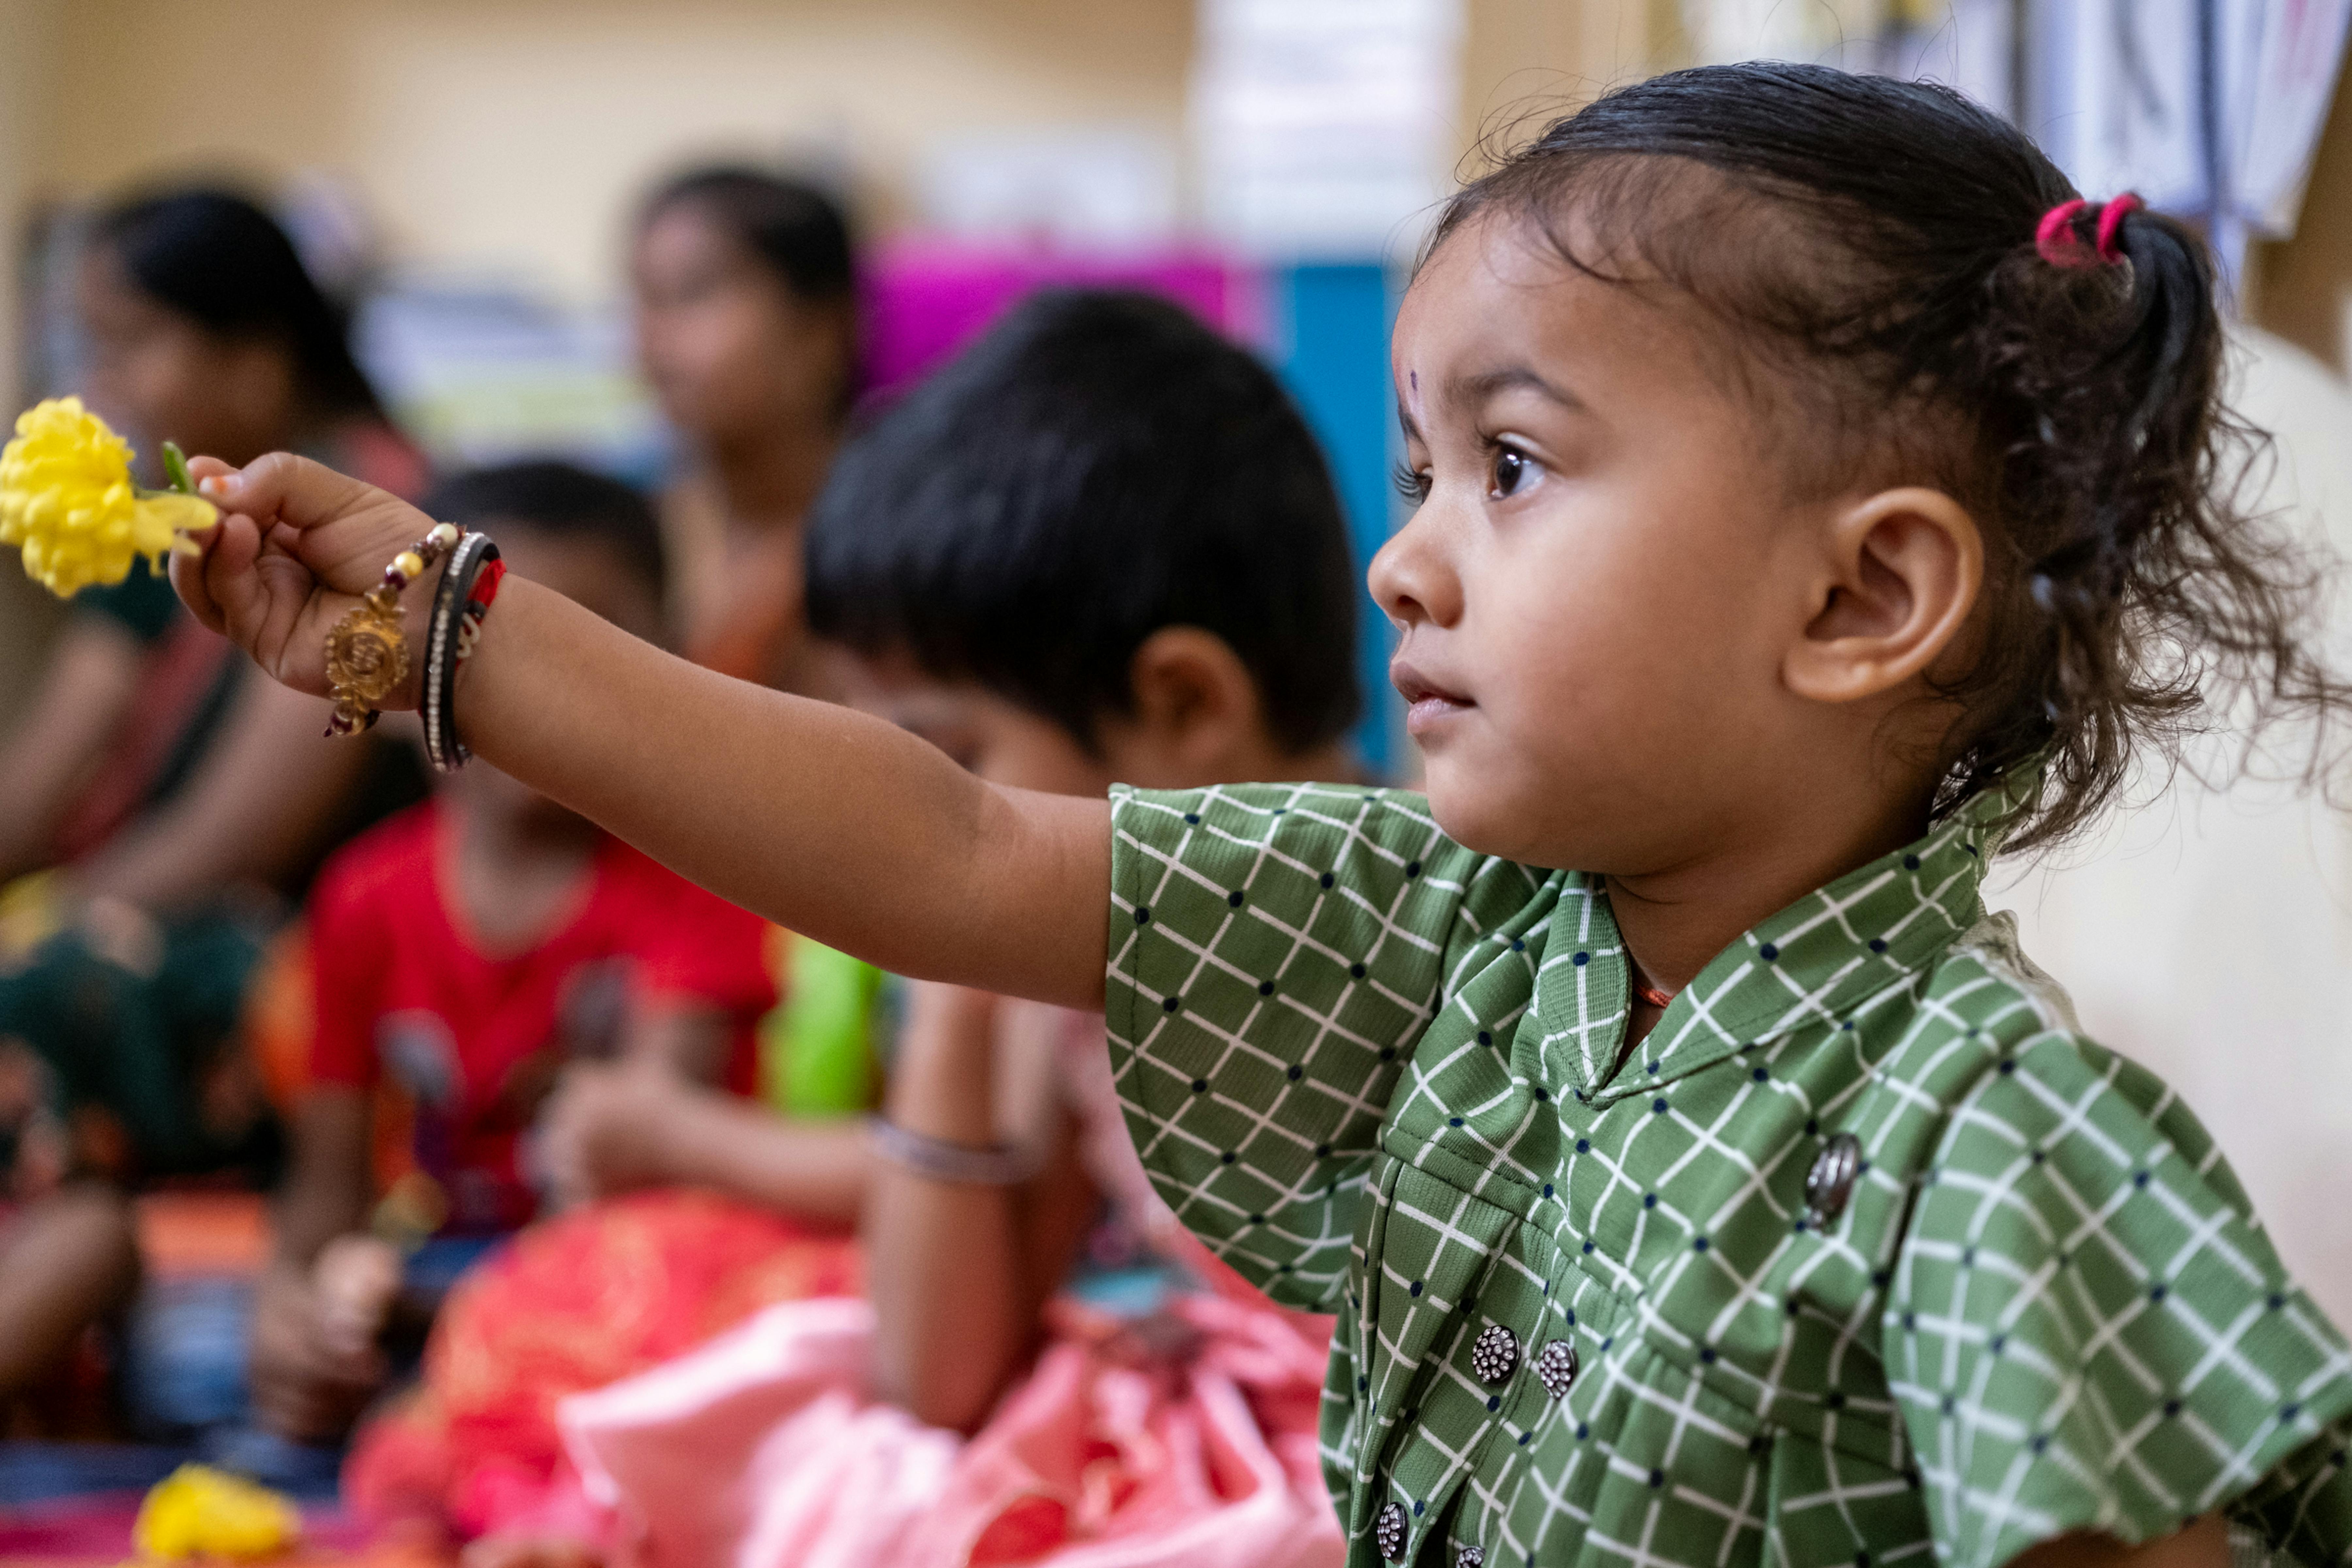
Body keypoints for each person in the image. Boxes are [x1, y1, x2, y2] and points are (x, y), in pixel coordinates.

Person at [169, 62, 2352, 1568]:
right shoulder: (1448, 927)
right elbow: (941, 846)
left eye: (1510, 467)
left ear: (1863, 593)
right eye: (1420, 476)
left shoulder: (1993, 1135)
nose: (1406, 561)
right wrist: (451, 632)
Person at [464, 291, 1358, 1567]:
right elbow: (937, 1377)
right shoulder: (1067, 979)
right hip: (1172, 1410)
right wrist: (958, 981)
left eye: (942, 761)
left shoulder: (1428, 933)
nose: (892, 815)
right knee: (827, 1424)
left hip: (1360, 1463)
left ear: (1182, 705)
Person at [246, 462, 797, 1457]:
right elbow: (322, 1207)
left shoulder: (700, 877)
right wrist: (303, 1317)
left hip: (628, 1310)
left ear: (663, 666)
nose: (521, 697)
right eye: (469, 646)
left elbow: (641, 1194)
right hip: (427, 1309)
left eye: (577, 651)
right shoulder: (363, 901)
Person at [0, 187, 427, 1417]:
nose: (102, 380)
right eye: (88, 343)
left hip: (273, 941)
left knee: (48, 987)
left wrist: (41, 921)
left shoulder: (374, 524)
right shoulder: (157, 512)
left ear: (253, 357)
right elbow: (40, 785)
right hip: (143, 900)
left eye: (130, 340)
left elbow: (237, 838)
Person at [630, 165, 857, 691]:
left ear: (821, 329)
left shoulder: (890, 550)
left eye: (693, 294)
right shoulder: (642, 525)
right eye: (645, 297)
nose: (652, 337)